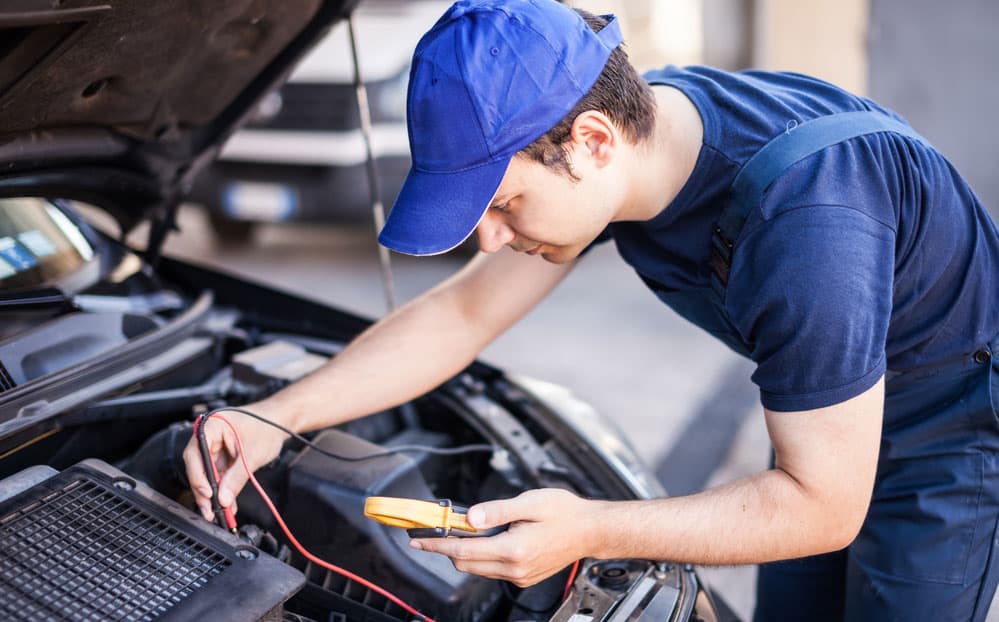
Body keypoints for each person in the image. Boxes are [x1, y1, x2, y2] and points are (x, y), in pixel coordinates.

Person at [184, 1, 999, 619]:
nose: (492, 240)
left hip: (942, 434)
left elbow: (820, 505)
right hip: (827, 416)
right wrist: (273, 417)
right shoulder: (647, 138)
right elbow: (459, 317)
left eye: (503, 204)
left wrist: (589, 529)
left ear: (593, 141)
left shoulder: (808, 221)